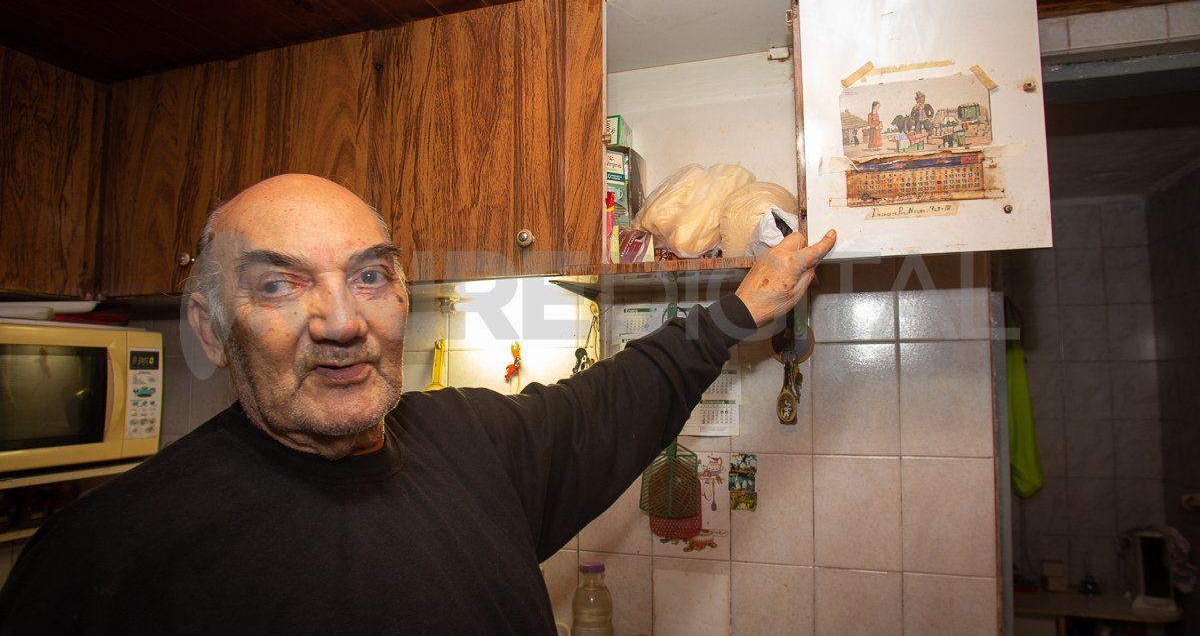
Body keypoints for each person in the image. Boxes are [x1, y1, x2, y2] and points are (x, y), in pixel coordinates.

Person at [0, 174, 836, 633]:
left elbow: (618, 397)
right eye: (279, 284)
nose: (341, 321)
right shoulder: (107, 555)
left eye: (369, 275)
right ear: (211, 327)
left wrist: (736, 311)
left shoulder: (473, 441)